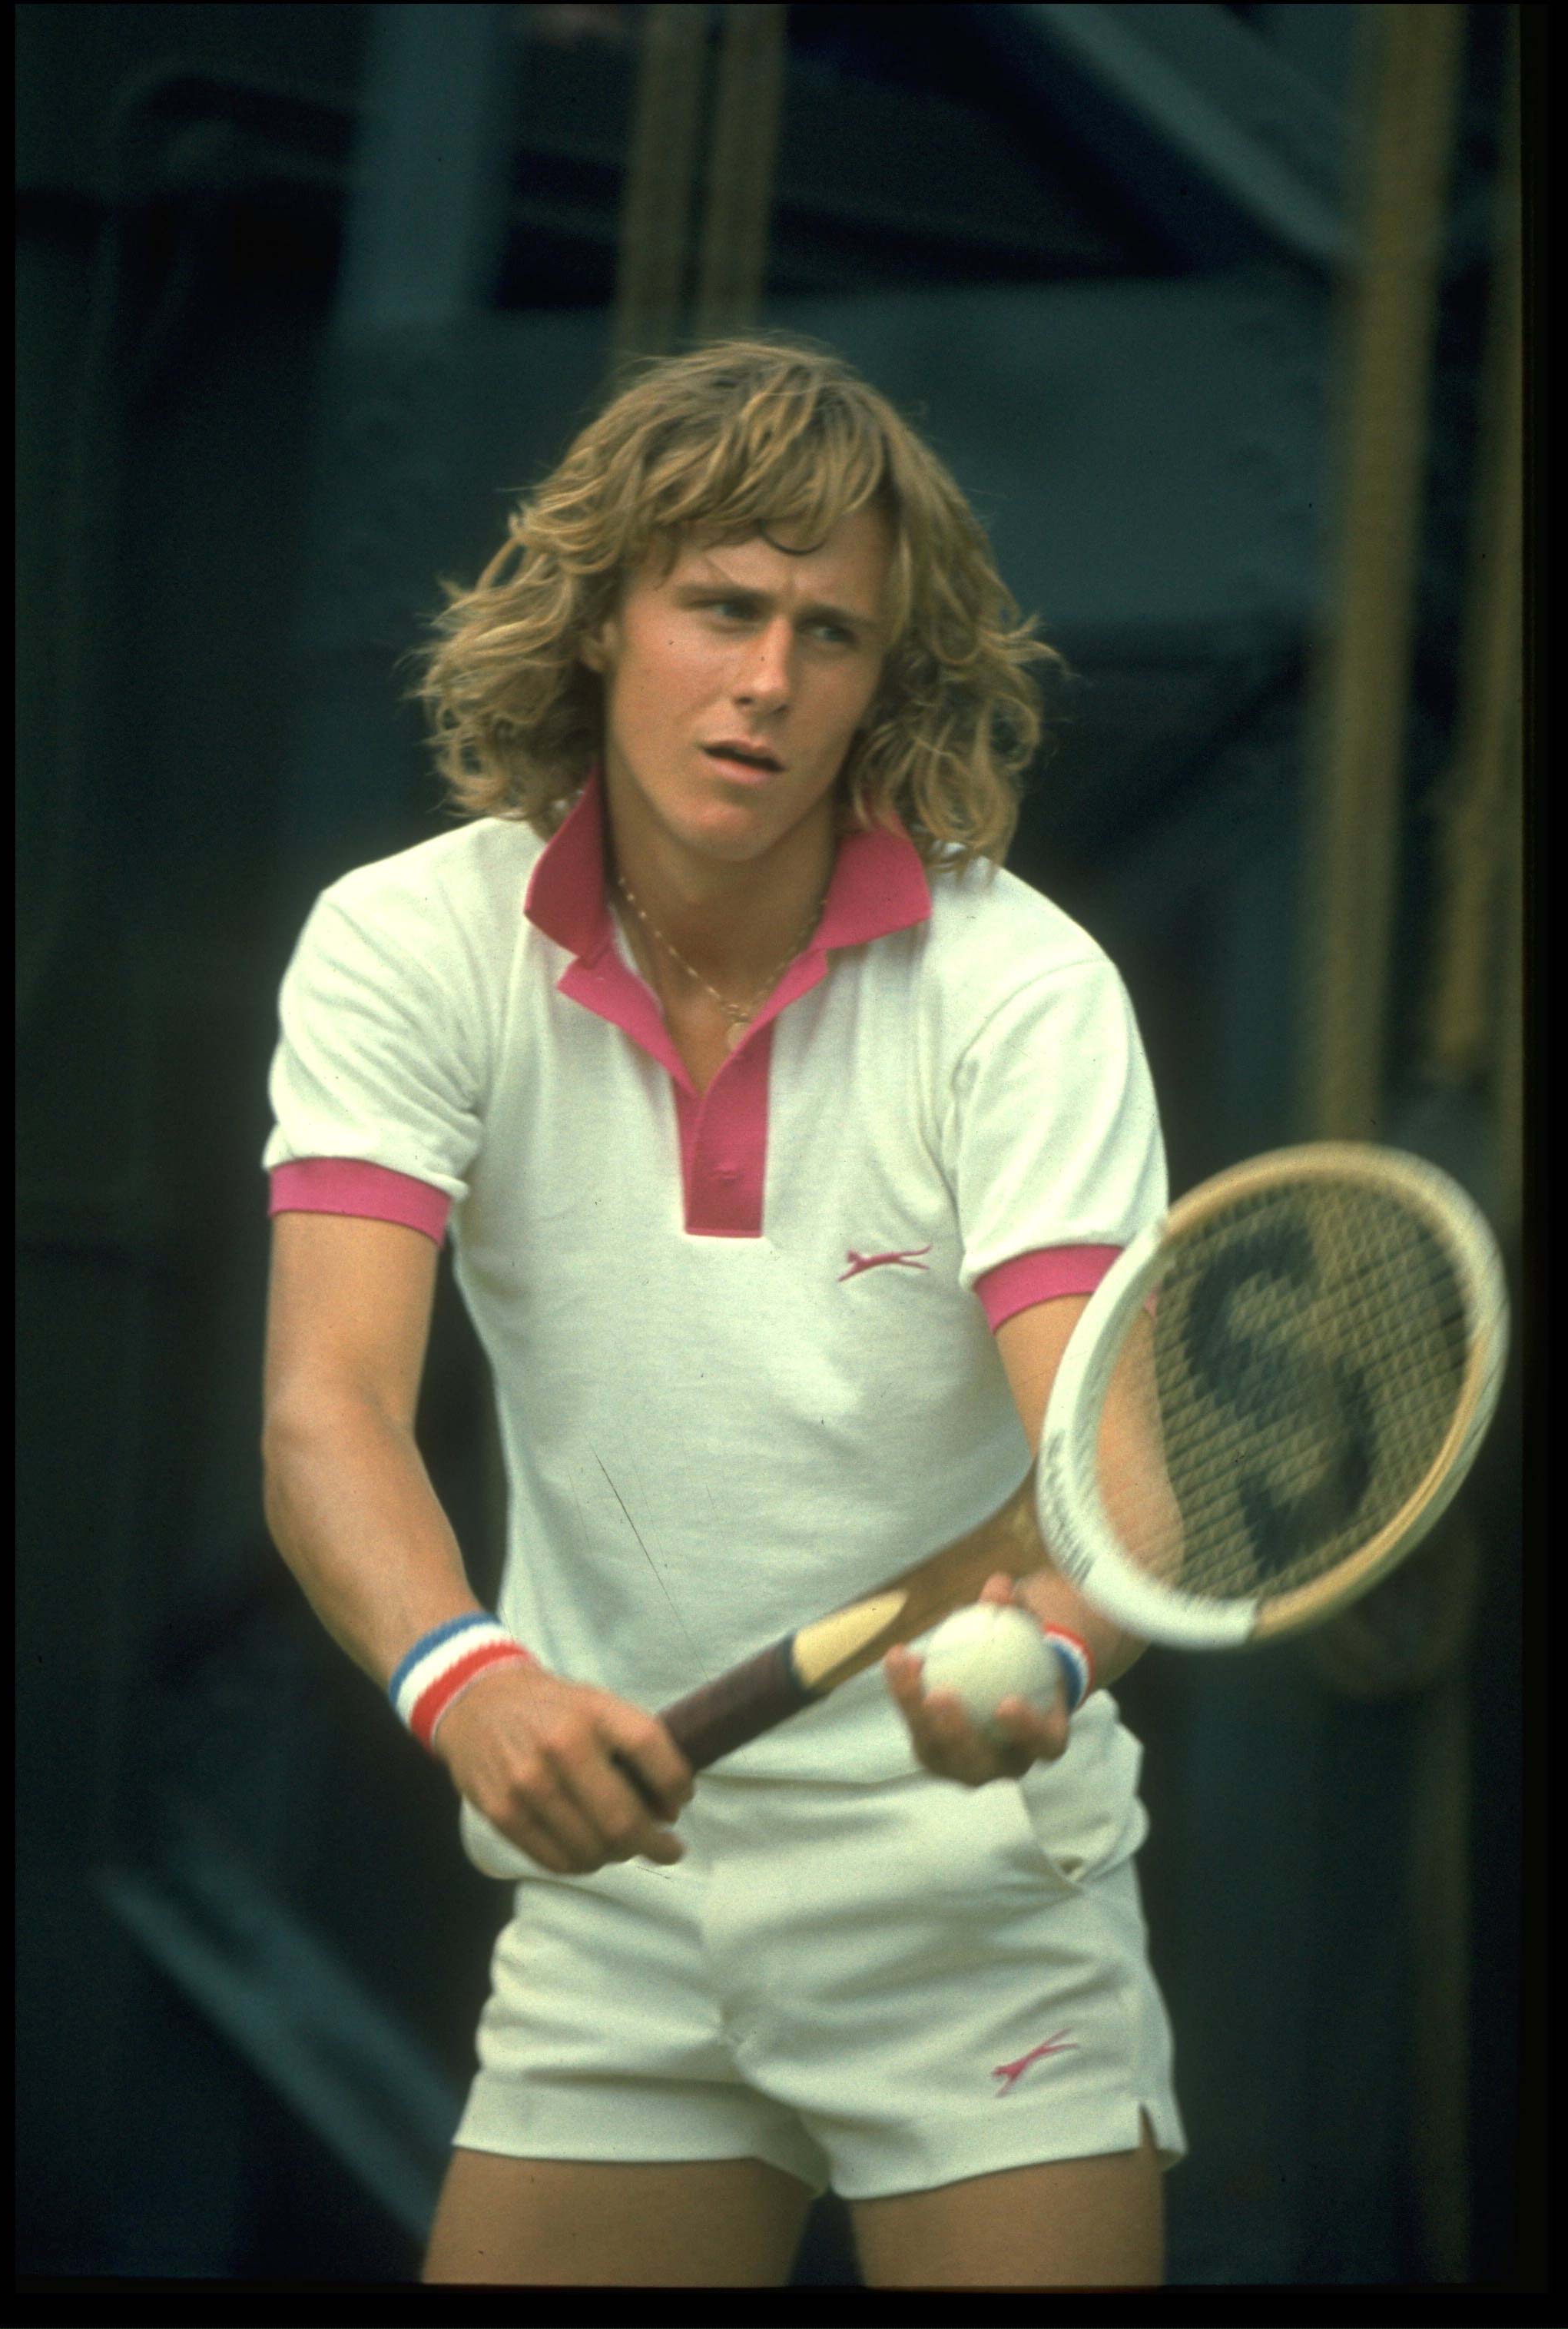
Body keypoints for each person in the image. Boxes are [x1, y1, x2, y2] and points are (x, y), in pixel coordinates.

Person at [260, 333, 1185, 2288]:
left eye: (832, 636)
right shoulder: (403, 942)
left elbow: (1112, 1477)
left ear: (881, 683)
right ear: (603, 618)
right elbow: (325, 1409)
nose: (769, 679)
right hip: (622, 1911)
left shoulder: (1018, 990)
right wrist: (470, 1679)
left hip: (978, 1906)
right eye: (722, 608)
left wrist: (1055, 1654)